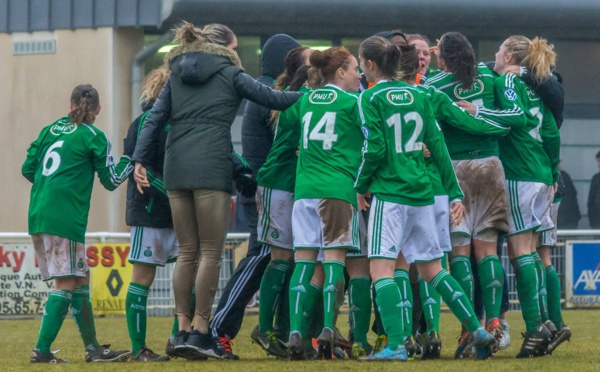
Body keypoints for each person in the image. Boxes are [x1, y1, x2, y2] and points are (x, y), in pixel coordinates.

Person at [131, 23, 302, 360]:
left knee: (189, 252)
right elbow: (275, 99)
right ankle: (201, 331)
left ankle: (180, 331)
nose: (238, 52)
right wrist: (319, 95)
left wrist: (138, 158)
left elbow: (154, 118)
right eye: (236, 46)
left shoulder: (177, 70)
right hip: (210, 168)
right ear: (226, 48)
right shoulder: (229, 71)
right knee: (210, 252)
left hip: (175, 168)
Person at [355, 35, 496, 362]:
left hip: (390, 194)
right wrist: (454, 192)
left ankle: (395, 346)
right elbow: (440, 147)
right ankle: (477, 330)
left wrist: (361, 184)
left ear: (370, 64)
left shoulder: (370, 97)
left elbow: (374, 149)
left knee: (382, 271)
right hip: (422, 193)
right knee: (434, 270)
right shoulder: (423, 94)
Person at [210, 34, 304, 358]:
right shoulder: (268, 93)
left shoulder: (270, 89)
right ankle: (219, 329)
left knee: (282, 259)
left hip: (271, 187)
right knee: (261, 257)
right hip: (267, 189)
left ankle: (278, 330)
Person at [23, 84, 131, 363]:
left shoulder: (50, 130)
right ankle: (42, 351)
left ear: (70, 105)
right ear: (98, 110)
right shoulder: (94, 136)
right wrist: (131, 160)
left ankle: (93, 348)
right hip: (65, 217)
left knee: (80, 276)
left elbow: (27, 168)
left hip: (38, 212)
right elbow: (111, 180)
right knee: (66, 282)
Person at [426, 32, 513, 354]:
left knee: (459, 253)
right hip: (490, 166)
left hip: (456, 168)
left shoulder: (434, 87)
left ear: (444, 59)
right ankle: (494, 321)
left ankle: (468, 328)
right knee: (488, 251)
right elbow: (507, 122)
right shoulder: (490, 78)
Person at [285, 46, 364, 360]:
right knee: (334, 262)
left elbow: (286, 122)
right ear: (341, 72)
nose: (359, 75)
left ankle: (295, 330)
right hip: (337, 191)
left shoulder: (305, 100)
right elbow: (373, 139)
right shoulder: (352, 103)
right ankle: (328, 328)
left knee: (304, 263)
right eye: (355, 68)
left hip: (304, 191)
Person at [492, 35, 561, 358]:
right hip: (541, 175)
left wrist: (477, 114)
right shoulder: (538, 89)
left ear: (509, 58)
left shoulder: (508, 81)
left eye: (500, 49)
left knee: (519, 251)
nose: (495, 53)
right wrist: (552, 173)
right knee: (532, 250)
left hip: (519, 173)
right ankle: (546, 323)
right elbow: (551, 134)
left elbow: (513, 116)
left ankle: (535, 328)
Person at [250, 48, 312, 358]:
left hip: (294, 187)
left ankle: (287, 330)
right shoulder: (296, 98)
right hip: (278, 184)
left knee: (294, 260)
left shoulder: (300, 96)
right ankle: (263, 327)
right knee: (281, 257)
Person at [587, 152, 600, 228]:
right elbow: (591, 202)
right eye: (598, 161)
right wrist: (593, 222)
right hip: (597, 223)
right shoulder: (596, 179)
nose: (598, 164)